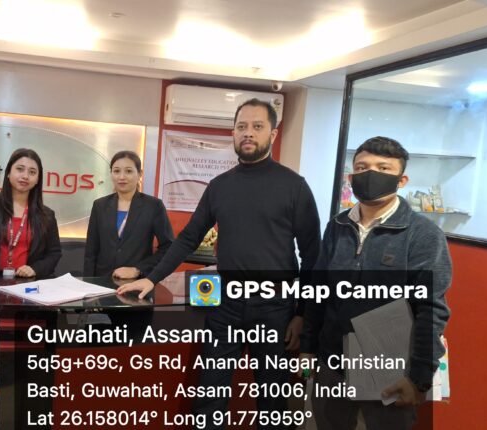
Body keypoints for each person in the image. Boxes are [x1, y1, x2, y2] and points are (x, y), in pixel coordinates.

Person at [118, 98, 322, 430]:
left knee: (273, 400)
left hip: (275, 308)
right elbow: (188, 238)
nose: (248, 133)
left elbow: (313, 255)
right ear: (233, 133)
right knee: (210, 395)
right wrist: (151, 278)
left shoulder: (294, 186)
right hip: (226, 303)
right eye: (242, 127)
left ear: (273, 133)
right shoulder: (219, 186)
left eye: (257, 126)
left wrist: (302, 315)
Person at [299, 136, 452, 430]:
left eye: (383, 168)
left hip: (389, 369)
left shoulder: (423, 234)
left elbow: (431, 310)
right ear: (351, 177)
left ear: (401, 180)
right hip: (332, 363)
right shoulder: (337, 226)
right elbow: (318, 292)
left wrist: (418, 378)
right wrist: (308, 349)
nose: (371, 174)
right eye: (362, 167)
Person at [0, 148, 62, 279]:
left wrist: (35, 269)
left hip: (28, 283)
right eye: (20, 169)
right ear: (8, 173)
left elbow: (54, 253)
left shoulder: (47, 215)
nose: (25, 176)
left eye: (32, 172)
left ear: (38, 179)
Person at [83, 150, 173, 278]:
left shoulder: (153, 206)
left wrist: (138, 269)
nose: (122, 177)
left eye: (129, 171)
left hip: (137, 282)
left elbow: (168, 247)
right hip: (101, 280)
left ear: (140, 174)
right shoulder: (100, 205)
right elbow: (91, 251)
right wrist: (87, 283)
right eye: (116, 171)